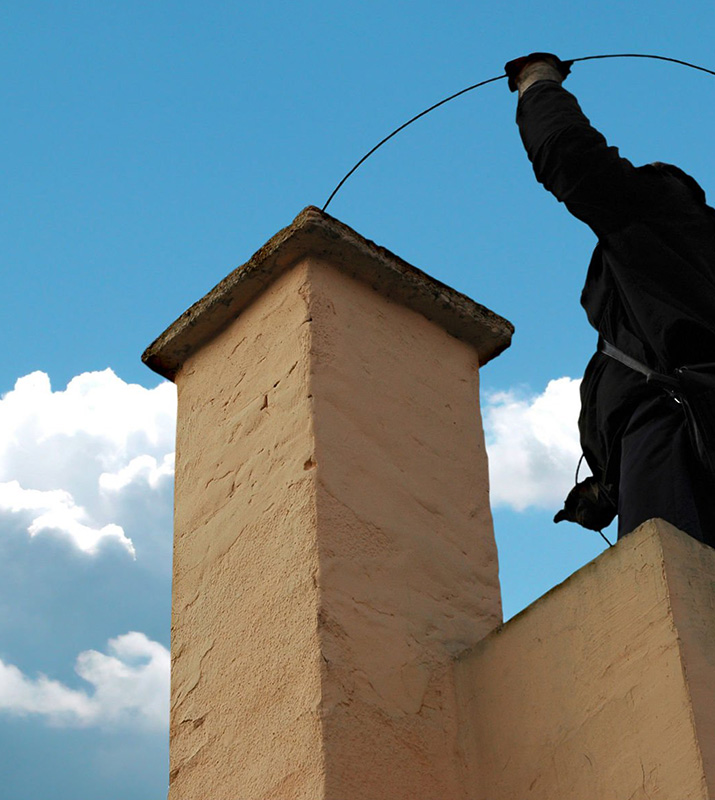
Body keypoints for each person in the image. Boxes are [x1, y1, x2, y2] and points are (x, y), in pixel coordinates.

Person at [504, 52, 715, 546]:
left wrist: (537, 81)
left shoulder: (661, 217)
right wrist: (611, 481)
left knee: (681, 599)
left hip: (677, 433)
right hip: (678, 436)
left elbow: (571, 158)